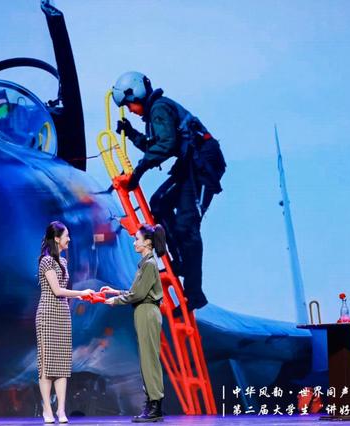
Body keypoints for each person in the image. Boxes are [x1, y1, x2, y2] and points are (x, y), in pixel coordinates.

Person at [112, 71, 225, 314]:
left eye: (129, 104)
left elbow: (166, 145)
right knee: (159, 203)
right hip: (190, 164)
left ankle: (194, 294)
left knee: (187, 225)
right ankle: (180, 260)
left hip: (203, 165)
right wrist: (131, 133)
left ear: (137, 95)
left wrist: (138, 172)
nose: (130, 110)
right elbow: (159, 144)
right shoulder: (156, 113)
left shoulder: (159, 108)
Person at [101, 224, 166, 422]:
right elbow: (136, 291)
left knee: (149, 359)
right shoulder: (145, 264)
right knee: (147, 358)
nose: (134, 243)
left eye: (137, 239)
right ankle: (152, 403)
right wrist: (115, 292)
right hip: (143, 311)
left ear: (148, 242)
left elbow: (138, 294)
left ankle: (154, 405)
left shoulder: (149, 264)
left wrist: (116, 300)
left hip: (147, 311)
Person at [36, 221, 94, 424]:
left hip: (62, 314)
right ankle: (47, 409)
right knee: (47, 365)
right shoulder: (46, 261)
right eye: (66, 235)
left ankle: (61, 410)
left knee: (61, 364)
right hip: (47, 315)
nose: (69, 239)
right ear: (56, 239)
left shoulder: (63, 261)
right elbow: (57, 290)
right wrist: (81, 293)